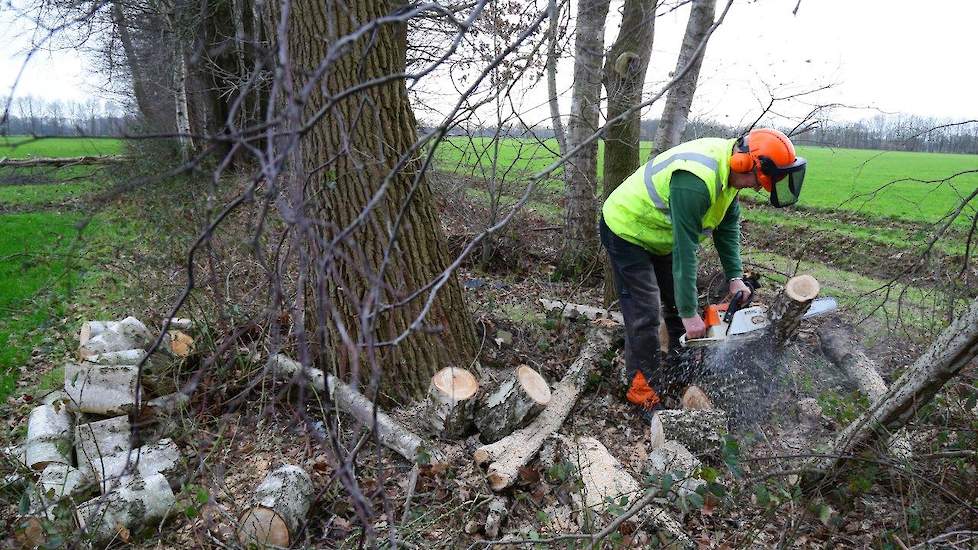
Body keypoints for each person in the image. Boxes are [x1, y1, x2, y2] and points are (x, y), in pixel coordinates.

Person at [600, 128, 807, 417]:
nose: (757, 188)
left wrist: (735, 277)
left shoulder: (728, 176)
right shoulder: (695, 183)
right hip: (627, 230)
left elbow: (727, 225)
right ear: (744, 164)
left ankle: (677, 373)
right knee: (645, 312)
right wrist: (689, 313)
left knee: (677, 305)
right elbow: (686, 251)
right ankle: (641, 392)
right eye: (757, 181)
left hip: (661, 235)